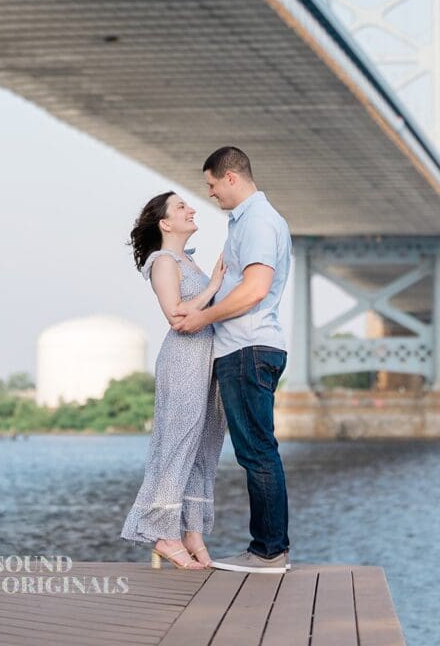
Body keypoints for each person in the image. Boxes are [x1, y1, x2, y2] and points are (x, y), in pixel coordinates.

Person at [172, 146, 292, 573]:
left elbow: (255, 289)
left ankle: (269, 552)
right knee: (257, 451)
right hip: (248, 348)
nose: (210, 194)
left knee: (257, 452)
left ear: (231, 178)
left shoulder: (257, 221)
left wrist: (202, 317)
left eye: (211, 184)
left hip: (247, 348)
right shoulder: (248, 221)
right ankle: (269, 549)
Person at [120, 191, 228, 569]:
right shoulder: (163, 261)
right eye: (182, 206)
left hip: (207, 360)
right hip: (183, 360)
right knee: (178, 443)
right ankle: (164, 534)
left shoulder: (188, 261)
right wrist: (214, 286)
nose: (191, 209)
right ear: (165, 223)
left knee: (204, 446)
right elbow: (175, 314)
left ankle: (191, 531)